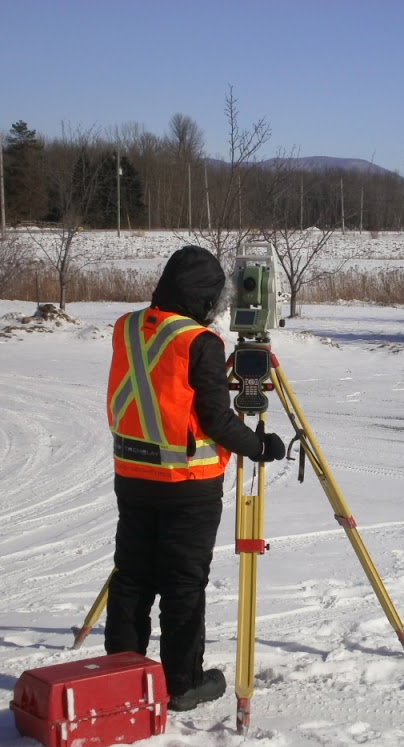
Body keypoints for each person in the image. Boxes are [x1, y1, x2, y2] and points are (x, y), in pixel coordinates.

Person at [104, 245, 286, 712]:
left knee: (133, 578)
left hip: (132, 475)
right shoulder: (200, 342)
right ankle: (182, 684)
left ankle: (121, 675)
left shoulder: (127, 326)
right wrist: (262, 447)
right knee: (183, 585)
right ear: (206, 296)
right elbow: (216, 422)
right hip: (188, 484)